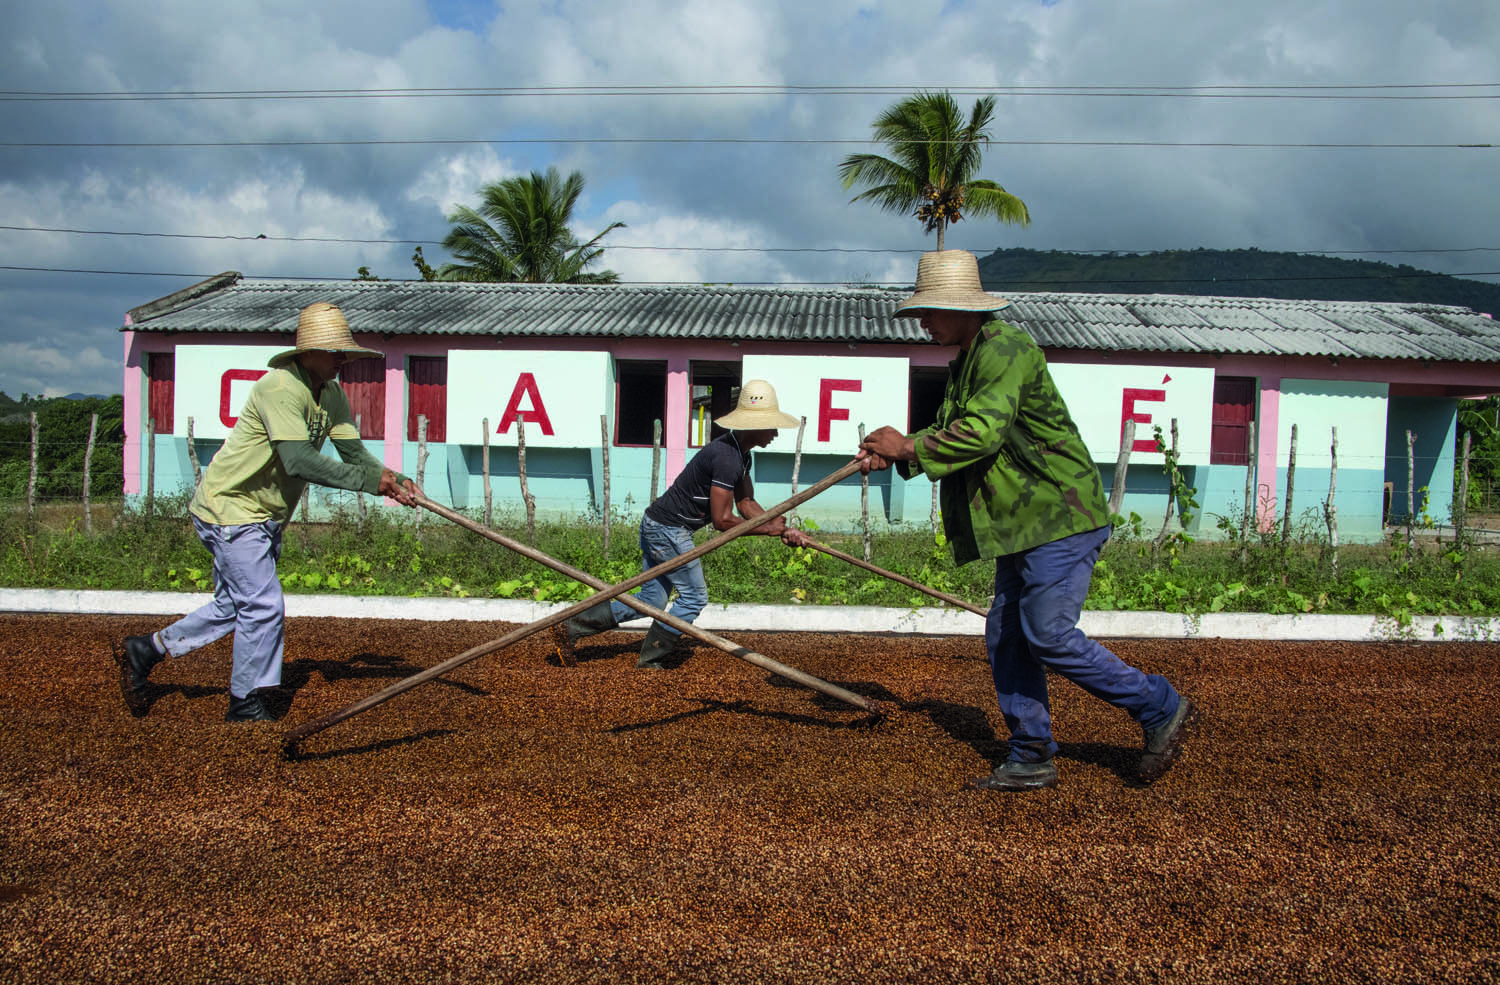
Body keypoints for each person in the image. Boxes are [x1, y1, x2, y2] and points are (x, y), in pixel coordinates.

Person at [857, 250, 1198, 791]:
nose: (922, 322)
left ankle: (1159, 705)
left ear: (960, 307)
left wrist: (907, 447)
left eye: (929, 311)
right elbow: (953, 434)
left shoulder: (1006, 350)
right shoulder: (967, 363)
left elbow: (982, 433)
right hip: (1022, 523)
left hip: (1060, 515)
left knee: (1048, 633)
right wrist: (897, 454)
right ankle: (1031, 752)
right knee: (1008, 636)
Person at [112, 302, 422, 723]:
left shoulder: (331, 394)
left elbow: (354, 454)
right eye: (335, 351)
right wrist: (371, 483)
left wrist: (395, 479)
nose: (343, 359)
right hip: (231, 507)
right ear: (309, 351)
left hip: (263, 515)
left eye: (344, 352)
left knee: (234, 605)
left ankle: (146, 650)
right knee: (263, 606)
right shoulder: (279, 388)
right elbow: (298, 461)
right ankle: (245, 702)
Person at [557, 379, 812, 669]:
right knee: (694, 598)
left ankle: (572, 626)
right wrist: (770, 529)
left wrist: (781, 528)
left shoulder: (741, 456)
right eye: (772, 426)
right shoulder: (726, 458)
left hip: (659, 524)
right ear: (754, 426)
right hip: (667, 529)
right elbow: (722, 520)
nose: (776, 433)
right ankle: (651, 658)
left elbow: (746, 504)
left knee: (651, 601)